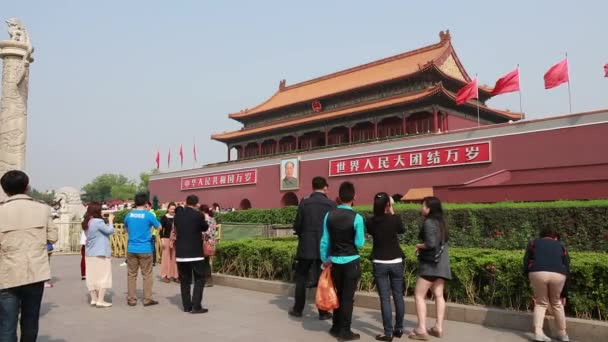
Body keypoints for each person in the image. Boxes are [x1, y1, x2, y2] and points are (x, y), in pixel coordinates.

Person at [0, 170, 58, 342]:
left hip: (7, 274)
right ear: (27, 187)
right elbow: (53, 237)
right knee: (30, 321)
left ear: (5, 190)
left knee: (6, 324)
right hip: (35, 273)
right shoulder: (43, 209)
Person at [320, 181, 365, 341]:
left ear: (339, 197)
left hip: (335, 262)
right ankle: (345, 331)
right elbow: (360, 243)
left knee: (337, 294)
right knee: (347, 298)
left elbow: (325, 240)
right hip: (351, 261)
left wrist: (325, 259)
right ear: (354, 197)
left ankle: (335, 327)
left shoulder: (329, 215)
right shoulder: (357, 217)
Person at [289, 176, 336, 320]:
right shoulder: (331, 204)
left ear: (312, 186)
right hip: (323, 247)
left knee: (301, 278)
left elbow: (297, 225)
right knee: (322, 279)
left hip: (306, 246)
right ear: (325, 187)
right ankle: (323, 312)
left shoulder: (304, 203)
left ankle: (298, 309)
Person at [409, 197, 451, 341]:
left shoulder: (429, 222)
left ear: (429, 208)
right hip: (442, 264)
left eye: (423, 206)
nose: (422, 208)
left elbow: (431, 244)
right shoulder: (442, 222)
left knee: (419, 295)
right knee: (439, 295)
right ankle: (438, 327)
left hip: (430, 265)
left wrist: (418, 246)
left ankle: (421, 329)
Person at [367, 193, 405, 341]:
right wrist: (391, 211)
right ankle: (399, 328)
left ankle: (388, 333)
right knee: (398, 296)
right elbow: (401, 230)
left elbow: (372, 231)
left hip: (380, 262)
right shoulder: (395, 219)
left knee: (385, 299)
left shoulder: (370, 222)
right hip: (396, 261)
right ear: (388, 205)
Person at [523, 228, 570, 342]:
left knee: (541, 303)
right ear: (554, 237)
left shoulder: (533, 243)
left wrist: (528, 276)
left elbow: (526, 261)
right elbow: (567, 267)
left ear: (542, 236)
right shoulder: (561, 246)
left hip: (537, 272)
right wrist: (564, 294)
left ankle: (538, 333)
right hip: (558, 274)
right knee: (557, 303)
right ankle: (562, 334)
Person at [124, 193, 161, 307]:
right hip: (145, 248)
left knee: (131, 274)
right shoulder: (148, 215)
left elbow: (126, 230)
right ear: (146, 203)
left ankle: (131, 299)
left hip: (131, 248)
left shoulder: (129, 215)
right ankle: (147, 299)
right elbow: (159, 227)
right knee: (147, 275)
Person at [174, 195, 209, 313]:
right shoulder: (198, 215)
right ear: (196, 204)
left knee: (185, 280)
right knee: (199, 278)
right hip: (196, 253)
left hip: (181, 253)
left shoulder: (177, 216)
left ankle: (187, 306)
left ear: (186, 202)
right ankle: (196, 306)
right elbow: (205, 227)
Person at [83, 202, 115, 308]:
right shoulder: (98, 221)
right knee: (104, 276)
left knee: (92, 277)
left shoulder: (87, 222)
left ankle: (94, 299)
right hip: (101, 252)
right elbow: (110, 230)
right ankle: (100, 300)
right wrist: (110, 220)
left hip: (89, 253)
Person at [159, 203, 179, 283]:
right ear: (168, 209)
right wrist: (162, 239)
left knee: (175, 258)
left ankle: (175, 275)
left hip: (175, 240)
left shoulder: (177, 217)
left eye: (174, 209)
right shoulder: (164, 217)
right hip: (166, 239)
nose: (173, 210)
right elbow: (160, 229)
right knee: (166, 257)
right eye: (171, 209)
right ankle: (166, 275)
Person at [200, 204, 217, 287]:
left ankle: (204, 280)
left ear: (202, 211)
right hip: (211, 243)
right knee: (206, 261)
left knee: (203, 262)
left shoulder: (205, 219)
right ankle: (209, 280)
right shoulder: (213, 219)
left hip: (204, 243)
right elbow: (213, 231)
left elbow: (205, 232)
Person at [146, 201, 159, 267]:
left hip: (151, 234)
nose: (145, 208)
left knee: (152, 247)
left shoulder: (152, 214)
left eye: (146, 207)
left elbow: (153, 225)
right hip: (146, 234)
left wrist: (150, 233)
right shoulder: (146, 213)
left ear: (150, 207)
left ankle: (153, 261)